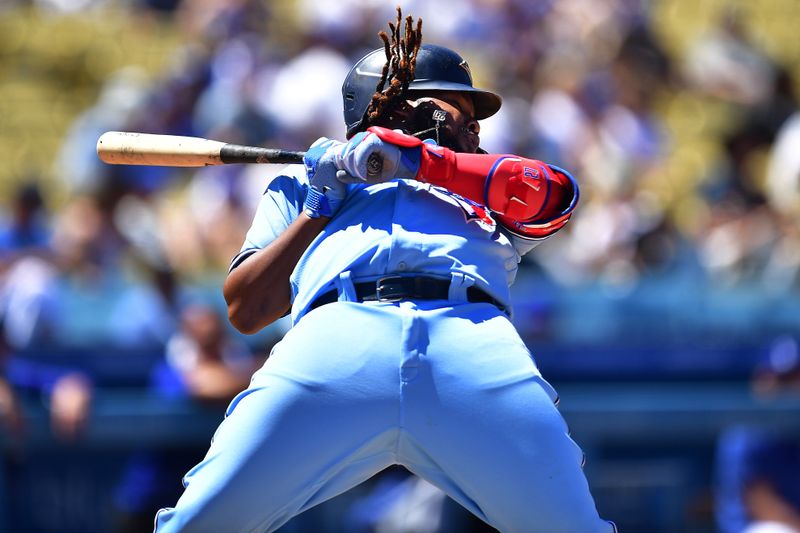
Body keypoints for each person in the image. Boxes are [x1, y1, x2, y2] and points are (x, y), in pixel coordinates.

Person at [155, 10, 614, 533]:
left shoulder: (484, 180)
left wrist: (422, 162)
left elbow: (557, 195)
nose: (473, 127)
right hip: (333, 345)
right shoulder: (304, 183)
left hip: (470, 341)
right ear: (396, 104)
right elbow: (247, 309)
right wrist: (319, 206)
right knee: (197, 526)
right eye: (457, 109)